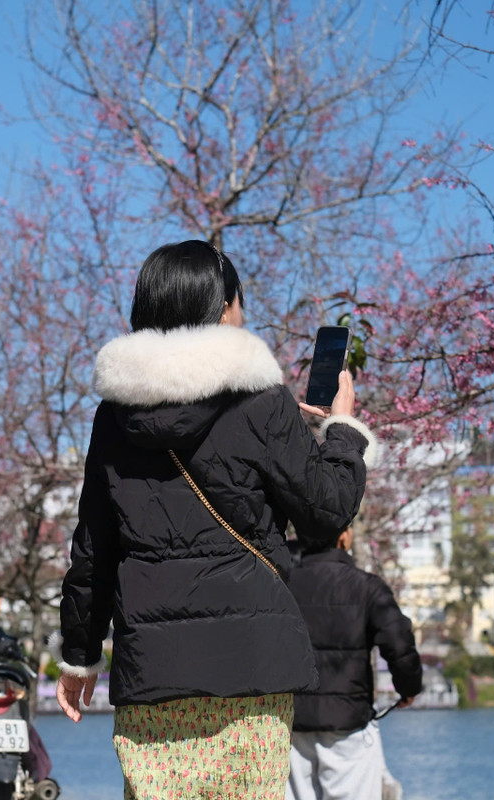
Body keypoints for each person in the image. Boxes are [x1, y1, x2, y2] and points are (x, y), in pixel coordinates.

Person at [54, 240, 378, 800]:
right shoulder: (262, 402)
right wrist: (342, 432)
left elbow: (94, 550)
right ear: (223, 308)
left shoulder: (114, 418)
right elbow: (326, 513)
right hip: (252, 666)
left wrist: (79, 657)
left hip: (154, 672)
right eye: (239, 301)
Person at [286, 526, 423, 800]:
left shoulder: (282, 583)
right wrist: (409, 688)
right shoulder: (367, 587)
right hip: (348, 724)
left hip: (292, 723)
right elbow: (398, 643)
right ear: (344, 536)